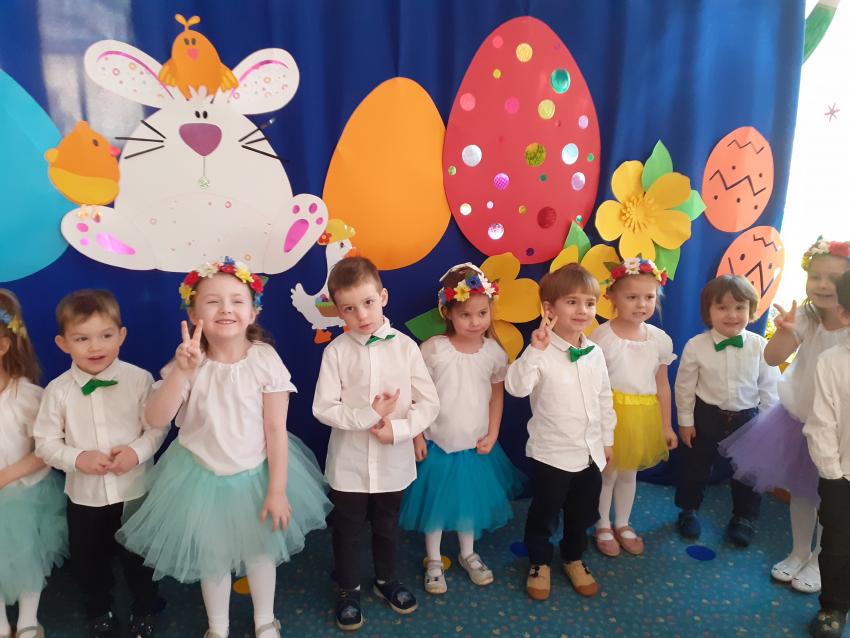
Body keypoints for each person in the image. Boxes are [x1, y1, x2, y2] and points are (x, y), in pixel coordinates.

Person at [117, 257, 331, 638]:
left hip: (256, 474)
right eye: (213, 301)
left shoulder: (265, 360)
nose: (226, 309)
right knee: (212, 558)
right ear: (193, 312)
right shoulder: (188, 362)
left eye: (237, 300)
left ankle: (265, 619)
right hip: (199, 477)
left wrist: (277, 490)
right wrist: (181, 372)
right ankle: (218, 626)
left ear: (253, 311)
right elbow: (155, 418)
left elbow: (276, 430)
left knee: (261, 553)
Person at [313, 256, 440, 631]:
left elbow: (429, 403)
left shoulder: (406, 348)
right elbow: (323, 407)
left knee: (387, 525)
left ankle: (386, 580)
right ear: (338, 312)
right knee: (347, 530)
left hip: (392, 461)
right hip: (349, 464)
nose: (362, 315)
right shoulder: (336, 352)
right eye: (349, 309)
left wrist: (398, 431)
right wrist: (368, 416)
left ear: (382, 297)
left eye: (368, 302)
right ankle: (348, 588)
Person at [720, 238, 850, 594]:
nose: (822, 285)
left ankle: (822, 560)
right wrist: (785, 331)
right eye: (815, 276)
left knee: (832, 499)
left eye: (834, 278)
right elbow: (773, 358)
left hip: (840, 429)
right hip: (798, 419)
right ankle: (798, 551)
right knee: (803, 493)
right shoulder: (807, 317)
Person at [33, 289, 164, 637]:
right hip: (85, 497)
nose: (95, 347)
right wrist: (78, 458)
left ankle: (147, 605)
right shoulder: (58, 390)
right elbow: (45, 443)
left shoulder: (139, 379)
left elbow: (157, 427)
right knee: (89, 560)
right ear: (63, 343)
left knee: (140, 556)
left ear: (121, 335)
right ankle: (98, 609)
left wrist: (136, 451)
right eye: (82, 339)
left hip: (135, 490)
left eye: (106, 335)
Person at [399, 263, 524, 594]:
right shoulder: (433, 349)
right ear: (448, 313)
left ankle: (468, 553)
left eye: (482, 313)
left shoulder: (494, 352)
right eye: (465, 315)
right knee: (435, 508)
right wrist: (416, 434)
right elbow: (415, 395)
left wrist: (494, 433)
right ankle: (434, 560)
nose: (475, 321)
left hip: (475, 444)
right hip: (437, 443)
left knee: (469, 505)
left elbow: (497, 396)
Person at [506, 264, 616, 601]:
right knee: (545, 511)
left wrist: (607, 440)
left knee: (582, 512)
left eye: (589, 303)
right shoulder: (540, 351)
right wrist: (534, 350)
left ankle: (573, 556)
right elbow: (516, 388)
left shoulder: (595, 352)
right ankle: (539, 560)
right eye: (572, 302)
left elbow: (604, 398)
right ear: (549, 309)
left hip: (589, 453)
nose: (583, 310)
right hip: (551, 454)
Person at [674, 275, 778, 546]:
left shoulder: (760, 345)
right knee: (695, 467)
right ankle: (688, 510)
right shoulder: (696, 345)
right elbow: (684, 387)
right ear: (708, 311)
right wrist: (685, 422)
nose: (732, 315)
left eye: (740, 307)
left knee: (748, 471)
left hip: (748, 419)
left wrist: (768, 427)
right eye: (722, 307)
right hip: (707, 415)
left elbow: (770, 388)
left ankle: (744, 518)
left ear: (751, 310)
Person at [590, 258, 677, 557]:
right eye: (632, 297)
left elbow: (662, 385)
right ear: (612, 297)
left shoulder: (659, 340)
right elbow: (592, 384)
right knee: (608, 473)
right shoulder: (602, 337)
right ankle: (602, 523)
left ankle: (623, 522)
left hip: (643, 415)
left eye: (649, 297)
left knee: (629, 474)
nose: (641, 304)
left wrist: (666, 425)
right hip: (611, 414)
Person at [0, 290, 66, 638]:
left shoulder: (26, 397)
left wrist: (6, 476)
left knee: (27, 555)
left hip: (24, 494)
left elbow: (45, 449)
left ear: (3, 346)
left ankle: (28, 620)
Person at [803, 270, 850, 638]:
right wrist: (832, 475)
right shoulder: (833, 362)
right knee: (837, 545)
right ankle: (833, 606)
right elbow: (822, 422)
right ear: (845, 314)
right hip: (842, 474)